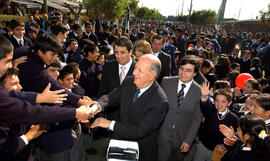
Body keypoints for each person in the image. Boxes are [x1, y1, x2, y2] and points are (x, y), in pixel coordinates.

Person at [0, 34, 95, 161]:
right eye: (7, 62)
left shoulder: (26, 51)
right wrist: (76, 111)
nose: (11, 66)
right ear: (40, 52)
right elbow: (32, 110)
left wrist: (39, 98)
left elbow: (14, 95)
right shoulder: (33, 67)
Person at [91, 54, 169, 161]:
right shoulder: (129, 81)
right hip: (119, 141)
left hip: (140, 151)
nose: (134, 72)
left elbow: (139, 130)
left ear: (152, 75)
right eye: (135, 67)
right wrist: (96, 106)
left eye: (140, 71)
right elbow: (112, 97)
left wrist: (109, 124)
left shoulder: (160, 101)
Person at [158, 56, 203, 161]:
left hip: (182, 139)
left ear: (195, 73)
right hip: (162, 136)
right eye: (181, 68)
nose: (183, 73)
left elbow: (197, 119)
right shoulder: (166, 82)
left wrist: (188, 140)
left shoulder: (200, 91)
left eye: (188, 70)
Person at [193, 84, 238, 161]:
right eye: (216, 101)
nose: (219, 104)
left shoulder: (233, 118)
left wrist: (224, 146)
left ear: (229, 103)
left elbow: (234, 136)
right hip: (203, 145)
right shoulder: (211, 109)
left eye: (223, 102)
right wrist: (204, 97)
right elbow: (204, 107)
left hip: (217, 150)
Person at [98, 36, 136, 121]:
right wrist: (102, 113)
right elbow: (102, 91)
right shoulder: (108, 66)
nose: (119, 56)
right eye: (116, 52)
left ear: (130, 52)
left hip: (131, 120)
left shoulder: (138, 68)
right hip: (111, 118)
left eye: (122, 52)